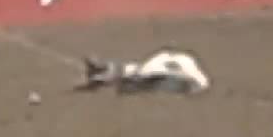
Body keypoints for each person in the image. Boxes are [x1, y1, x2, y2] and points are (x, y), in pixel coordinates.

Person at [78, 50, 210, 95]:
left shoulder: (190, 76)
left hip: (180, 75)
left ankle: (102, 75)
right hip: (177, 71)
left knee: (138, 77)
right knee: (139, 75)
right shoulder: (187, 68)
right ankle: (102, 74)